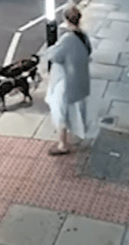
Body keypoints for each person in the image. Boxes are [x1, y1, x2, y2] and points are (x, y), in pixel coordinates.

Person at [43, 3, 92, 156]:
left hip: (65, 81)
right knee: (74, 109)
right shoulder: (83, 36)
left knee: (59, 110)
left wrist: (51, 49)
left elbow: (54, 56)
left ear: (66, 19)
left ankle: (63, 144)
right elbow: (88, 52)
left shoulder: (67, 39)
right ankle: (75, 134)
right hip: (79, 79)